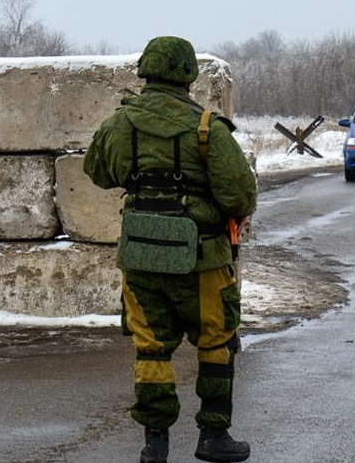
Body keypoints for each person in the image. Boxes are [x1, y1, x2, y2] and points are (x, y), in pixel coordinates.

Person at [84, 36, 257, 463]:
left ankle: (154, 446)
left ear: (146, 70)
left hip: (140, 258)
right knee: (216, 342)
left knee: (151, 348)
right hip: (203, 260)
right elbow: (239, 195)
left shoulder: (120, 124)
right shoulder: (207, 128)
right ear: (187, 75)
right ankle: (213, 437)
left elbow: (97, 172)